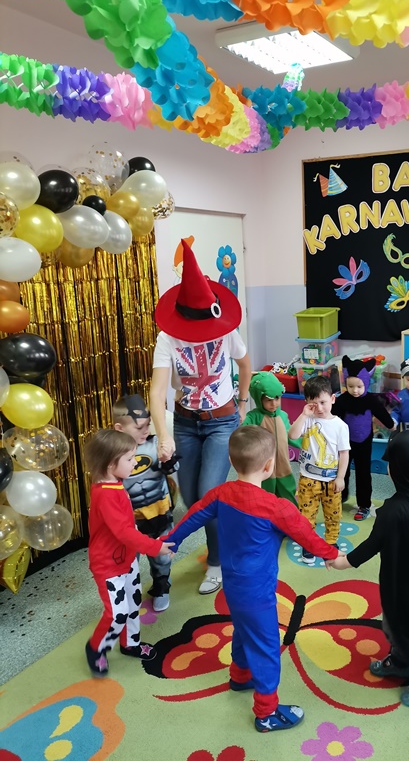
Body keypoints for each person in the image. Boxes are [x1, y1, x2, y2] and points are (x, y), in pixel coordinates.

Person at [164, 425, 340, 732]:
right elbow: (306, 535)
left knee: (245, 630)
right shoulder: (277, 507)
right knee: (267, 646)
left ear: (231, 462)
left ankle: (240, 676)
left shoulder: (220, 493)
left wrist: (171, 541)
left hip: (233, 586)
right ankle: (266, 713)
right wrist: (331, 554)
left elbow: (194, 515)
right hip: (257, 592)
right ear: (269, 466)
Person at [149, 239, 251, 595]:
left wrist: (242, 401)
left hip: (222, 422)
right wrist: (163, 435)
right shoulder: (167, 338)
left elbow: (245, 364)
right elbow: (157, 391)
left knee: (209, 494)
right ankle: (227, 534)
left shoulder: (225, 329)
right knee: (191, 499)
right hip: (185, 422)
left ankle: (218, 561)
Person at [327, 430, 409, 707]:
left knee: (404, 630)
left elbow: (371, 545)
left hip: (404, 583)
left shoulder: (393, 511)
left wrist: (342, 561)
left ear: (396, 472)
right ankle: (400, 662)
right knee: (407, 626)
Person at [83, 429, 173, 677]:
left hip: (127, 559)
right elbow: (123, 532)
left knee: (133, 604)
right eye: (130, 458)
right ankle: (96, 648)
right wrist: (155, 546)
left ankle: (130, 643)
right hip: (108, 566)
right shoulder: (105, 494)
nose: (135, 462)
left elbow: (127, 526)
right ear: (111, 465)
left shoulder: (114, 483)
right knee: (117, 614)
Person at [113, 393, 179, 612]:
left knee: (161, 556)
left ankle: (161, 586)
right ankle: (129, 592)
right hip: (131, 520)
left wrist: (168, 460)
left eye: (148, 425)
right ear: (119, 428)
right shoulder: (113, 454)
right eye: (139, 427)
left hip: (160, 512)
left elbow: (173, 469)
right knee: (129, 558)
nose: (145, 430)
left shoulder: (155, 443)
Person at [288, 376, 350, 564]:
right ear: (307, 403)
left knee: (333, 513)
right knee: (307, 515)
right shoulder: (307, 420)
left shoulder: (340, 426)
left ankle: (331, 542)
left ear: (332, 399)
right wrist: (304, 415)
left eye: (323, 402)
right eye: (314, 404)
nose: (320, 408)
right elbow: (292, 435)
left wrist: (341, 477)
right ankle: (308, 544)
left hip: (331, 479)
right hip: (308, 479)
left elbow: (344, 454)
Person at [332, 356, 395, 520]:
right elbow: (332, 417)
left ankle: (364, 504)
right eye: (351, 386)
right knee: (342, 471)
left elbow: (382, 413)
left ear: (366, 383)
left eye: (359, 386)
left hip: (364, 443)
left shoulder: (370, 400)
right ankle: (340, 496)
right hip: (344, 444)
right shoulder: (342, 400)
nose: (355, 390)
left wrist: (391, 425)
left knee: (363, 474)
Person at [241, 370, 300, 505]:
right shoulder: (254, 416)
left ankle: (290, 515)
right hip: (264, 468)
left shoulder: (282, 415)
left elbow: (290, 434)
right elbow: (243, 432)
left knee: (288, 495)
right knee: (265, 497)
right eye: (268, 400)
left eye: (277, 398)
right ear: (259, 399)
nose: (274, 404)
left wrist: (305, 443)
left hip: (283, 464)